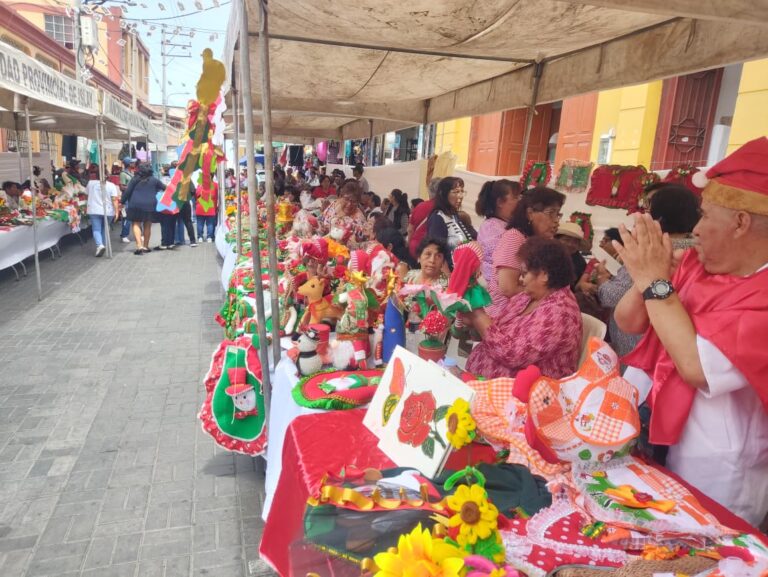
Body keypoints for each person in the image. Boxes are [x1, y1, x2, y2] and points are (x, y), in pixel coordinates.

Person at [614, 138, 768, 526]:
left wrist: (654, 280)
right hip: (661, 437)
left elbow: (696, 366)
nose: (695, 229)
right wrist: (646, 273)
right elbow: (629, 322)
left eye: (705, 216)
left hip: (719, 469)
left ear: (741, 222)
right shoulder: (701, 265)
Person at [464, 237, 582, 379]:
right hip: (484, 381)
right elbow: (500, 328)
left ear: (544, 275)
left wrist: (478, 315)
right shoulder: (528, 296)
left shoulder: (561, 313)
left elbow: (512, 355)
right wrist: (474, 319)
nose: (520, 279)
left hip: (523, 395)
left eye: (524, 273)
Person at [486, 187, 565, 318]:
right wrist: (546, 294)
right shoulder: (515, 237)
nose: (556, 220)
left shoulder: (539, 241)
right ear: (530, 213)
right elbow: (508, 288)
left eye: (558, 214)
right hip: (501, 315)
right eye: (551, 213)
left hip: (525, 312)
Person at [475, 179, 521, 283]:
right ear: (500, 202)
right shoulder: (491, 228)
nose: (519, 202)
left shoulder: (503, 224)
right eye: (515, 198)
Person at [426, 177, 476, 267]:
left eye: (462, 191)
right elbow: (436, 252)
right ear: (443, 194)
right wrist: (450, 278)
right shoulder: (438, 218)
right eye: (456, 192)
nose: (460, 196)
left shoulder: (454, 215)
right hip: (449, 274)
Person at [122, 163, 164, 255]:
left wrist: (122, 202)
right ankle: (146, 246)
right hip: (150, 205)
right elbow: (165, 188)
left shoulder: (135, 179)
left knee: (136, 224)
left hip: (135, 204)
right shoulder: (154, 180)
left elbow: (127, 192)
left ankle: (139, 246)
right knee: (147, 225)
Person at [318, 180, 372, 247]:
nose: (349, 204)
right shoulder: (334, 204)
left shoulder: (359, 219)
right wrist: (321, 227)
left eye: (354, 202)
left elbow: (358, 244)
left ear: (358, 202)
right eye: (346, 199)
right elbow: (321, 219)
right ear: (341, 196)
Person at [85, 168, 120, 257]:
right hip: (108, 211)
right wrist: (116, 211)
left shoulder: (90, 183)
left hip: (94, 209)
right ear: (107, 175)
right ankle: (102, 245)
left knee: (96, 229)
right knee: (105, 228)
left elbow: (87, 194)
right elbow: (114, 200)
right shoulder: (112, 185)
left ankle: (100, 245)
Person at [408, 177, 441, 259]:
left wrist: (409, 244)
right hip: (434, 252)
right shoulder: (444, 208)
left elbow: (410, 229)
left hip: (416, 247)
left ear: (429, 191)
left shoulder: (420, 206)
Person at [175, 180, 198, 247]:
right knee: (188, 221)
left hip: (176, 203)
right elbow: (193, 190)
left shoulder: (174, 178)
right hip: (185, 201)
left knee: (175, 221)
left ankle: (176, 240)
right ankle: (192, 241)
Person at [119, 157, 136, 244]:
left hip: (132, 197)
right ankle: (124, 235)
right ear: (129, 164)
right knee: (126, 217)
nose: (134, 164)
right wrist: (132, 188)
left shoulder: (132, 173)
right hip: (126, 199)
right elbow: (121, 187)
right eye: (133, 162)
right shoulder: (123, 174)